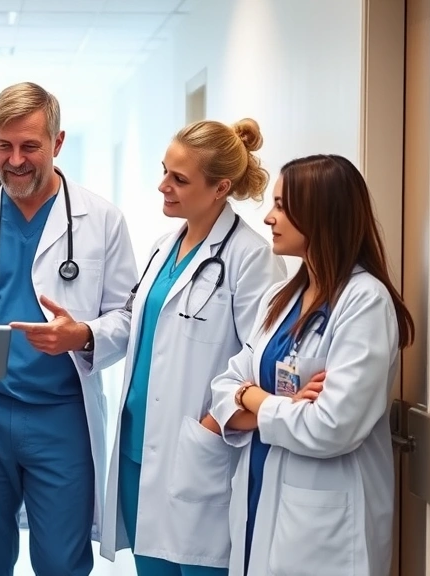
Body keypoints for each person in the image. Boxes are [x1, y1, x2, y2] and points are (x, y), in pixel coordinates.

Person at [0, 81, 139, 576]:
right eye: (3, 146)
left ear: (58, 142)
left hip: (61, 417)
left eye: (30, 146)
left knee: (62, 561)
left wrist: (83, 336)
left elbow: (127, 315)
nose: (16, 160)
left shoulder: (102, 220)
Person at [209, 154, 414, 575]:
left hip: (325, 525)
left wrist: (256, 400)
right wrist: (265, 402)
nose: (269, 217)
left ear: (323, 212)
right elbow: (224, 388)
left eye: (283, 205)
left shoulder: (364, 301)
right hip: (260, 494)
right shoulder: (280, 296)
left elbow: (332, 427)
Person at [97, 119, 286, 575]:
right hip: (138, 450)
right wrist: (83, 334)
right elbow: (143, 330)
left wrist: (210, 422)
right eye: (165, 171)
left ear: (221, 187)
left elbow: (263, 359)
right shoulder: (165, 246)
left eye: (179, 179)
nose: (163, 186)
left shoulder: (250, 257)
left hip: (200, 453)